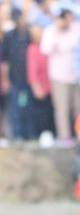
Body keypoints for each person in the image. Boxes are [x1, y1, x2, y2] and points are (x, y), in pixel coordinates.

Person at [40, 7, 80, 142]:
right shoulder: (51, 31)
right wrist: (58, 30)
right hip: (59, 75)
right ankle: (64, 137)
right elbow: (45, 49)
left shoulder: (77, 30)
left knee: (79, 107)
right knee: (62, 108)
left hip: (77, 74)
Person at [1, 8, 33, 140]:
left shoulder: (29, 34)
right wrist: (5, 79)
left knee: (28, 107)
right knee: (15, 109)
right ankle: (17, 135)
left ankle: (28, 134)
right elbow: (5, 61)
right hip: (15, 79)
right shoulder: (9, 36)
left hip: (29, 79)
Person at [26, 22, 54, 140]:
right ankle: (42, 134)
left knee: (51, 112)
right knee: (41, 113)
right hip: (41, 87)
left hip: (52, 84)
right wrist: (36, 87)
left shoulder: (47, 46)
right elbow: (32, 70)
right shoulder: (33, 48)